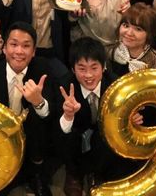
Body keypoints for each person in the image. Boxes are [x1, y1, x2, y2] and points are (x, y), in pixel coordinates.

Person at [55, 37, 142, 195]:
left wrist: (131, 120)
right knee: (66, 133)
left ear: (104, 67)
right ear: (73, 70)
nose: (88, 75)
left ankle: (98, 173)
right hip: (78, 135)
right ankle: (74, 174)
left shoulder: (116, 85)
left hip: (103, 135)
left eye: (94, 68)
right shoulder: (64, 86)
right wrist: (68, 115)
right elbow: (60, 131)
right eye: (82, 69)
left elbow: (124, 116)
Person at [0, 21, 57, 196]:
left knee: (42, 120)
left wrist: (38, 102)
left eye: (26, 46)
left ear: (34, 51)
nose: (19, 51)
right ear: (4, 48)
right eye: (14, 44)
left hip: (31, 135)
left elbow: (50, 114)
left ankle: (37, 175)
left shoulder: (44, 69)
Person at [108, 2, 156, 76]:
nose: (129, 33)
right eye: (126, 26)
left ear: (149, 34)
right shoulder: (112, 51)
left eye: (138, 29)